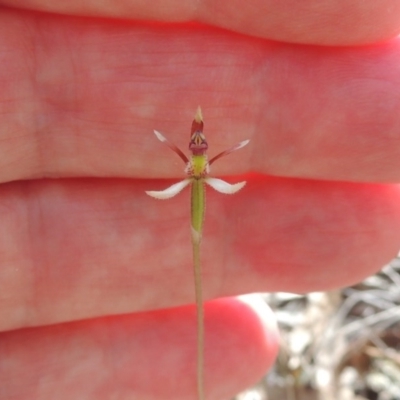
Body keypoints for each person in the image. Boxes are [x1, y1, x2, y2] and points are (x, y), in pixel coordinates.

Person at [1, 1, 400, 399]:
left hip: (200, 185)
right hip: (194, 185)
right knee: (196, 247)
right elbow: (189, 168)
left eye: (200, 142)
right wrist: (195, 171)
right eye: (196, 142)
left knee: (199, 252)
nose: (198, 145)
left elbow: (216, 174)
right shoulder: (195, 163)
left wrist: (203, 171)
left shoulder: (206, 163)